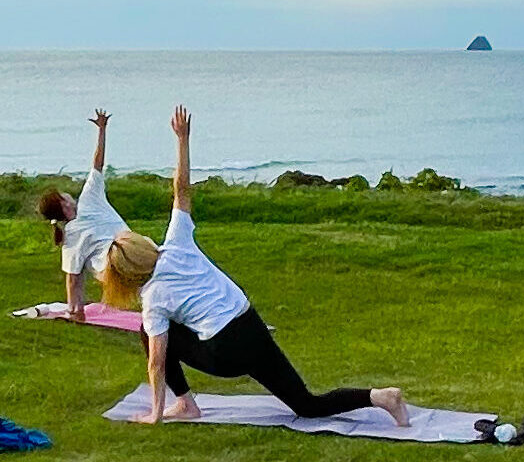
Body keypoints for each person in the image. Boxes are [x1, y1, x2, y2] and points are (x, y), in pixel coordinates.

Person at [113, 106, 410, 429]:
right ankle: (381, 397)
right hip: (251, 325)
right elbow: (181, 189)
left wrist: (155, 413)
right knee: (306, 403)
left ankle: (185, 404)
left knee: (151, 332)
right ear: (144, 246)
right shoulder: (177, 243)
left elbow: (157, 361)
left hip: (225, 352)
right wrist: (182, 140)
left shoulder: (153, 299)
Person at [37, 110, 130, 320]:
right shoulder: (89, 198)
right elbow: (97, 163)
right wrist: (102, 130)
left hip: (117, 266)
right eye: (63, 195)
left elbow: (73, 279)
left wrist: (75, 310)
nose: (68, 193)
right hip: (126, 255)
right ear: (65, 204)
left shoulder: (71, 236)